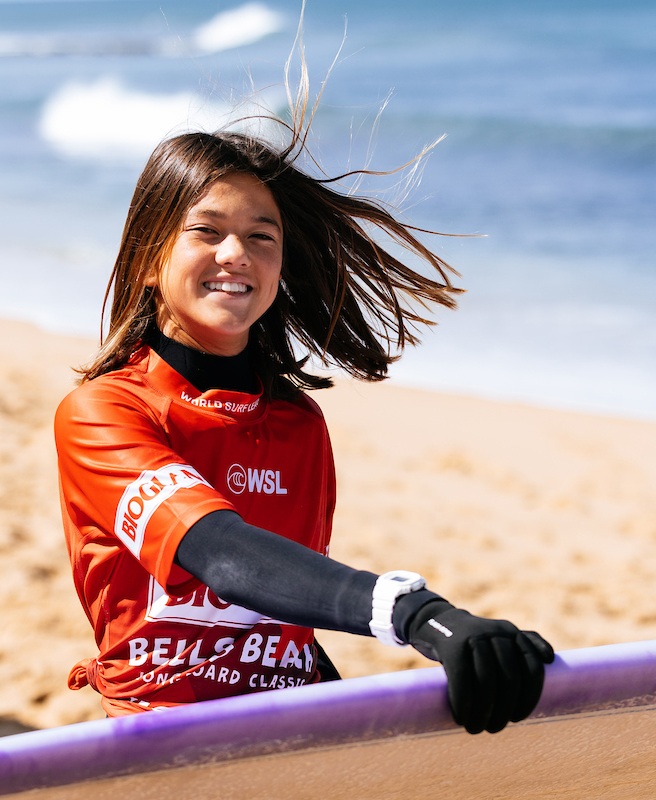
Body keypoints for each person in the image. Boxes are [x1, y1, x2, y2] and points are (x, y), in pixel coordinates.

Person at [54, 121, 554, 734]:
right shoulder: (104, 413)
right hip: (167, 732)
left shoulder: (299, 424)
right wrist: (420, 615)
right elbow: (223, 555)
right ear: (146, 260)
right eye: (207, 231)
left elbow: (286, 623)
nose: (236, 253)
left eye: (261, 236)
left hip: (290, 733)